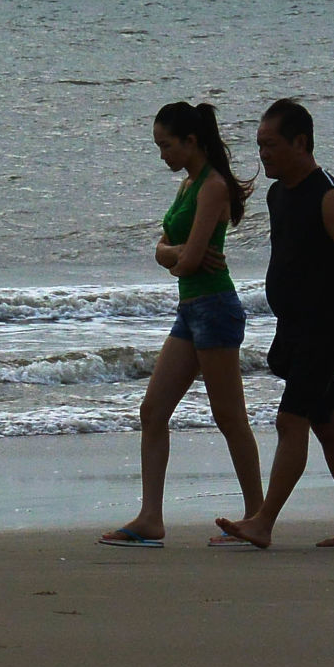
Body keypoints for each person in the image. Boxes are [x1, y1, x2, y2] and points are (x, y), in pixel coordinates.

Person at [218, 99, 334, 549]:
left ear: (301, 143)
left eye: (271, 145)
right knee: (329, 424)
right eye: (259, 145)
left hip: (326, 330)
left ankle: (263, 522)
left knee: (289, 420)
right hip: (295, 330)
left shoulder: (329, 197)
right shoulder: (279, 194)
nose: (263, 154)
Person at [100, 102, 264, 548]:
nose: (162, 155)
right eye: (158, 146)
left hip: (215, 307)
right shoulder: (188, 185)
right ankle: (151, 518)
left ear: (191, 141)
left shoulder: (212, 186)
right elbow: (168, 252)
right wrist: (174, 255)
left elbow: (187, 260)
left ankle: (257, 518)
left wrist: (175, 256)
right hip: (191, 309)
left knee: (229, 417)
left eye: (166, 145)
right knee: (152, 412)